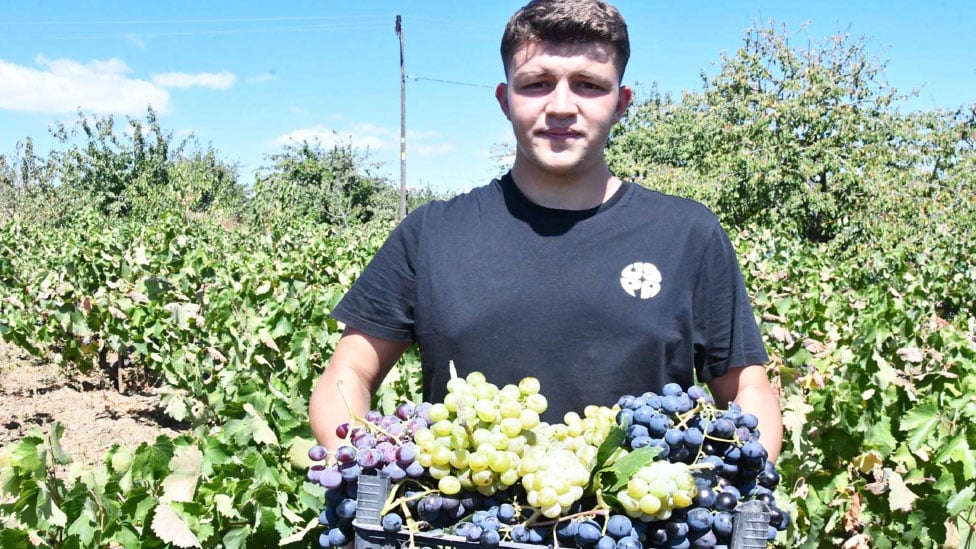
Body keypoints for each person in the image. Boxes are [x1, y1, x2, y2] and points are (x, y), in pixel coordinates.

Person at [310, 0, 783, 461]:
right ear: (505, 100)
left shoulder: (687, 234)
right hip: (461, 513)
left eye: (588, 85)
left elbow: (746, 387)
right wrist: (357, 468)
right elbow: (349, 372)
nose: (561, 106)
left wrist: (747, 480)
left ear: (621, 103)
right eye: (537, 84)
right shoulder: (430, 234)